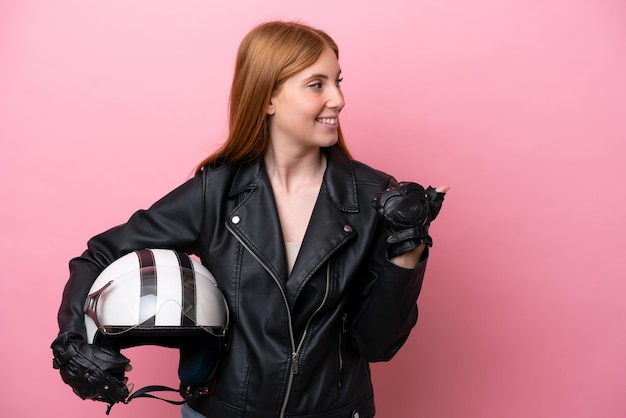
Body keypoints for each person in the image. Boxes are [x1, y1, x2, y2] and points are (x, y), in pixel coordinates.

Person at [51, 20, 449, 418]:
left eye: (338, 81)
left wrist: (407, 252)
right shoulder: (216, 192)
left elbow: (378, 345)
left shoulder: (376, 195)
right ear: (268, 98)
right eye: (317, 84)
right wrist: (74, 340)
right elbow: (99, 256)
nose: (339, 99)